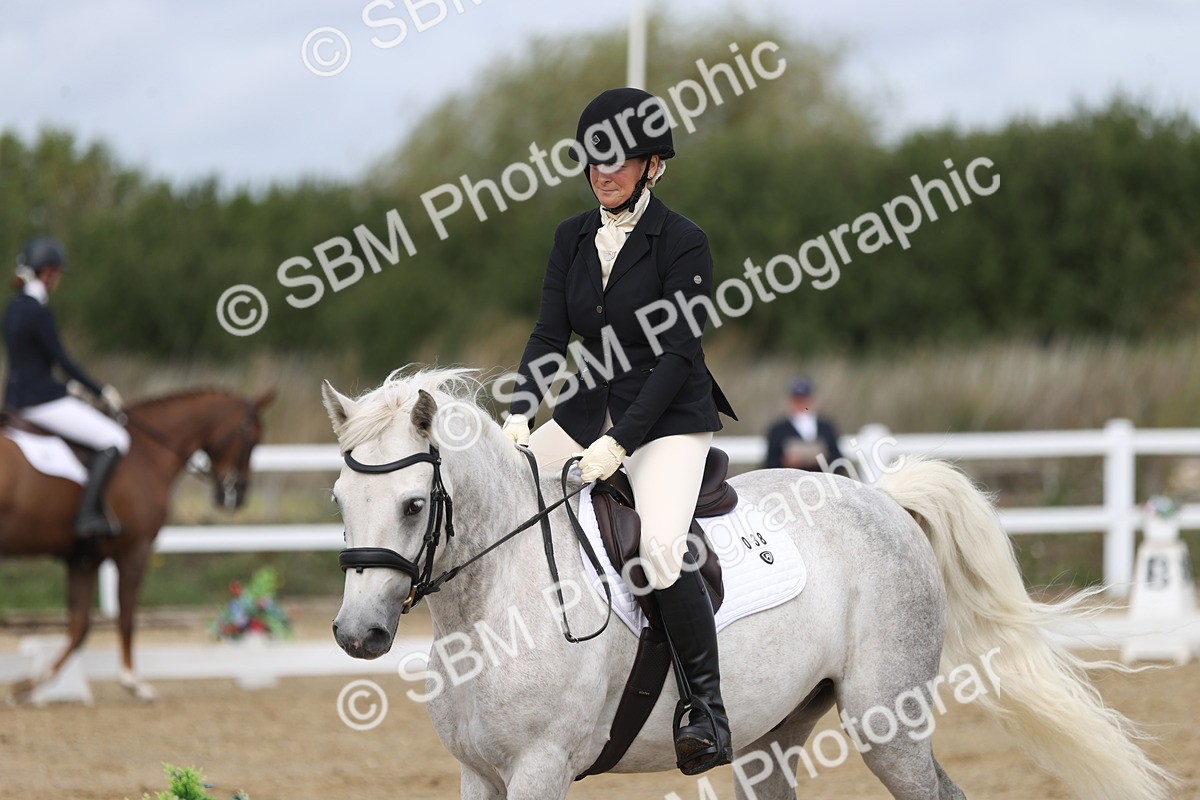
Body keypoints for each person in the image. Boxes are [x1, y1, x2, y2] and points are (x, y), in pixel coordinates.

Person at [502, 88, 737, 775]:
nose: (604, 172)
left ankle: (707, 708)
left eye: (620, 160)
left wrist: (622, 443)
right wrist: (520, 410)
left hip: (667, 422)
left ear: (653, 165)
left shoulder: (683, 240)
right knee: (502, 498)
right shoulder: (571, 238)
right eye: (593, 159)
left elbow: (677, 356)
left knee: (662, 549)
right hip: (582, 415)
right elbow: (550, 333)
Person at [3, 237, 129, 537]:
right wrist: (100, 391)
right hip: (40, 401)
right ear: (47, 273)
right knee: (116, 438)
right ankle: (87, 516)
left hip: (15, 396)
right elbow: (63, 360)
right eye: (57, 274)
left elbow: (28, 361)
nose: (57, 280)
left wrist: (68, 388)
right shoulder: (38, 311)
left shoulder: (12, 307)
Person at [763, 376, 846, 474]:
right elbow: (769, 465)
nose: (800, 404)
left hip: (821, 482)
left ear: (811, 400)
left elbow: (839, 462)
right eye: (796, 400)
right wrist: (785, 462)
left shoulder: (826, 427)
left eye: (803, 400)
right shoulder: (778, 430)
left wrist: (821, 461)